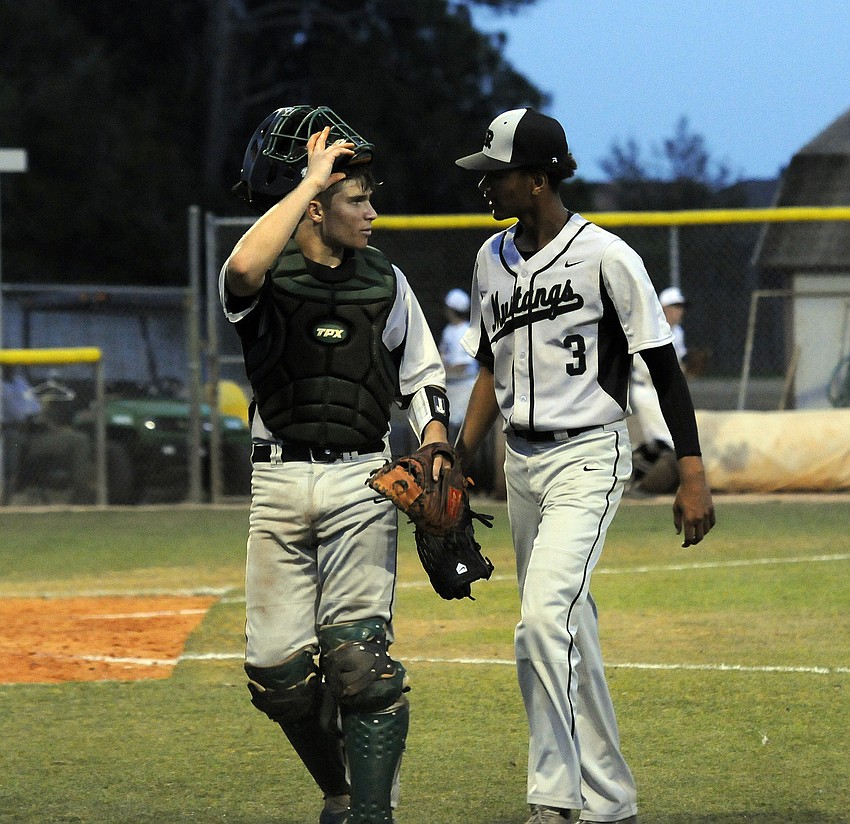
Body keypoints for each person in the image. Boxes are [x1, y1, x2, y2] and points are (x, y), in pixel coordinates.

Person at [452, 107, 716, 824]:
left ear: (538, 179)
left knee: (542, 620)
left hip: (590, 456)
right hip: (520, 466)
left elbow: (665, 371)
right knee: (571, 627)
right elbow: (487, 366)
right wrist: (456, 452)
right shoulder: (488, 261)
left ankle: (552, 797)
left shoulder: (607, 256)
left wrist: (692, 472)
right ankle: (611, 799)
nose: (487, 186)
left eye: (498, 174)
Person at [221, 106, 450, 824]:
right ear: (316, 207)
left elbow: (421, 374)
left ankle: (372, 814)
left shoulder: (385, 279)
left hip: (360, 477)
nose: (373, 212)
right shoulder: (264, 267)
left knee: (360, 664)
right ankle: (340, 790)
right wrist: (313, 180)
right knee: (278, 677)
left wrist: (436, 442)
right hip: (279, 481)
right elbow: (241, 270)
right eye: (358, 199)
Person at [628, 286, 688, 494]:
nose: (679, 311)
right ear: (662, 307)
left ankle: (630, 470)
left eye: (681, 307)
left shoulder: (678, 332)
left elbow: (677, 369)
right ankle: (640, 484)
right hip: (646, 390)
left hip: (662, 391)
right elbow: (647, 367)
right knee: (668, 442)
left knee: (657, 444)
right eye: (674, 306)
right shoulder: (651, 327)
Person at [438, 287, 479, 441]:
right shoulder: (448, 330)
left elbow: (463, 366)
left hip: (464, 387)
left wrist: (441, 372)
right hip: (451, 387)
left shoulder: (465, 330)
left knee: (461, 434)